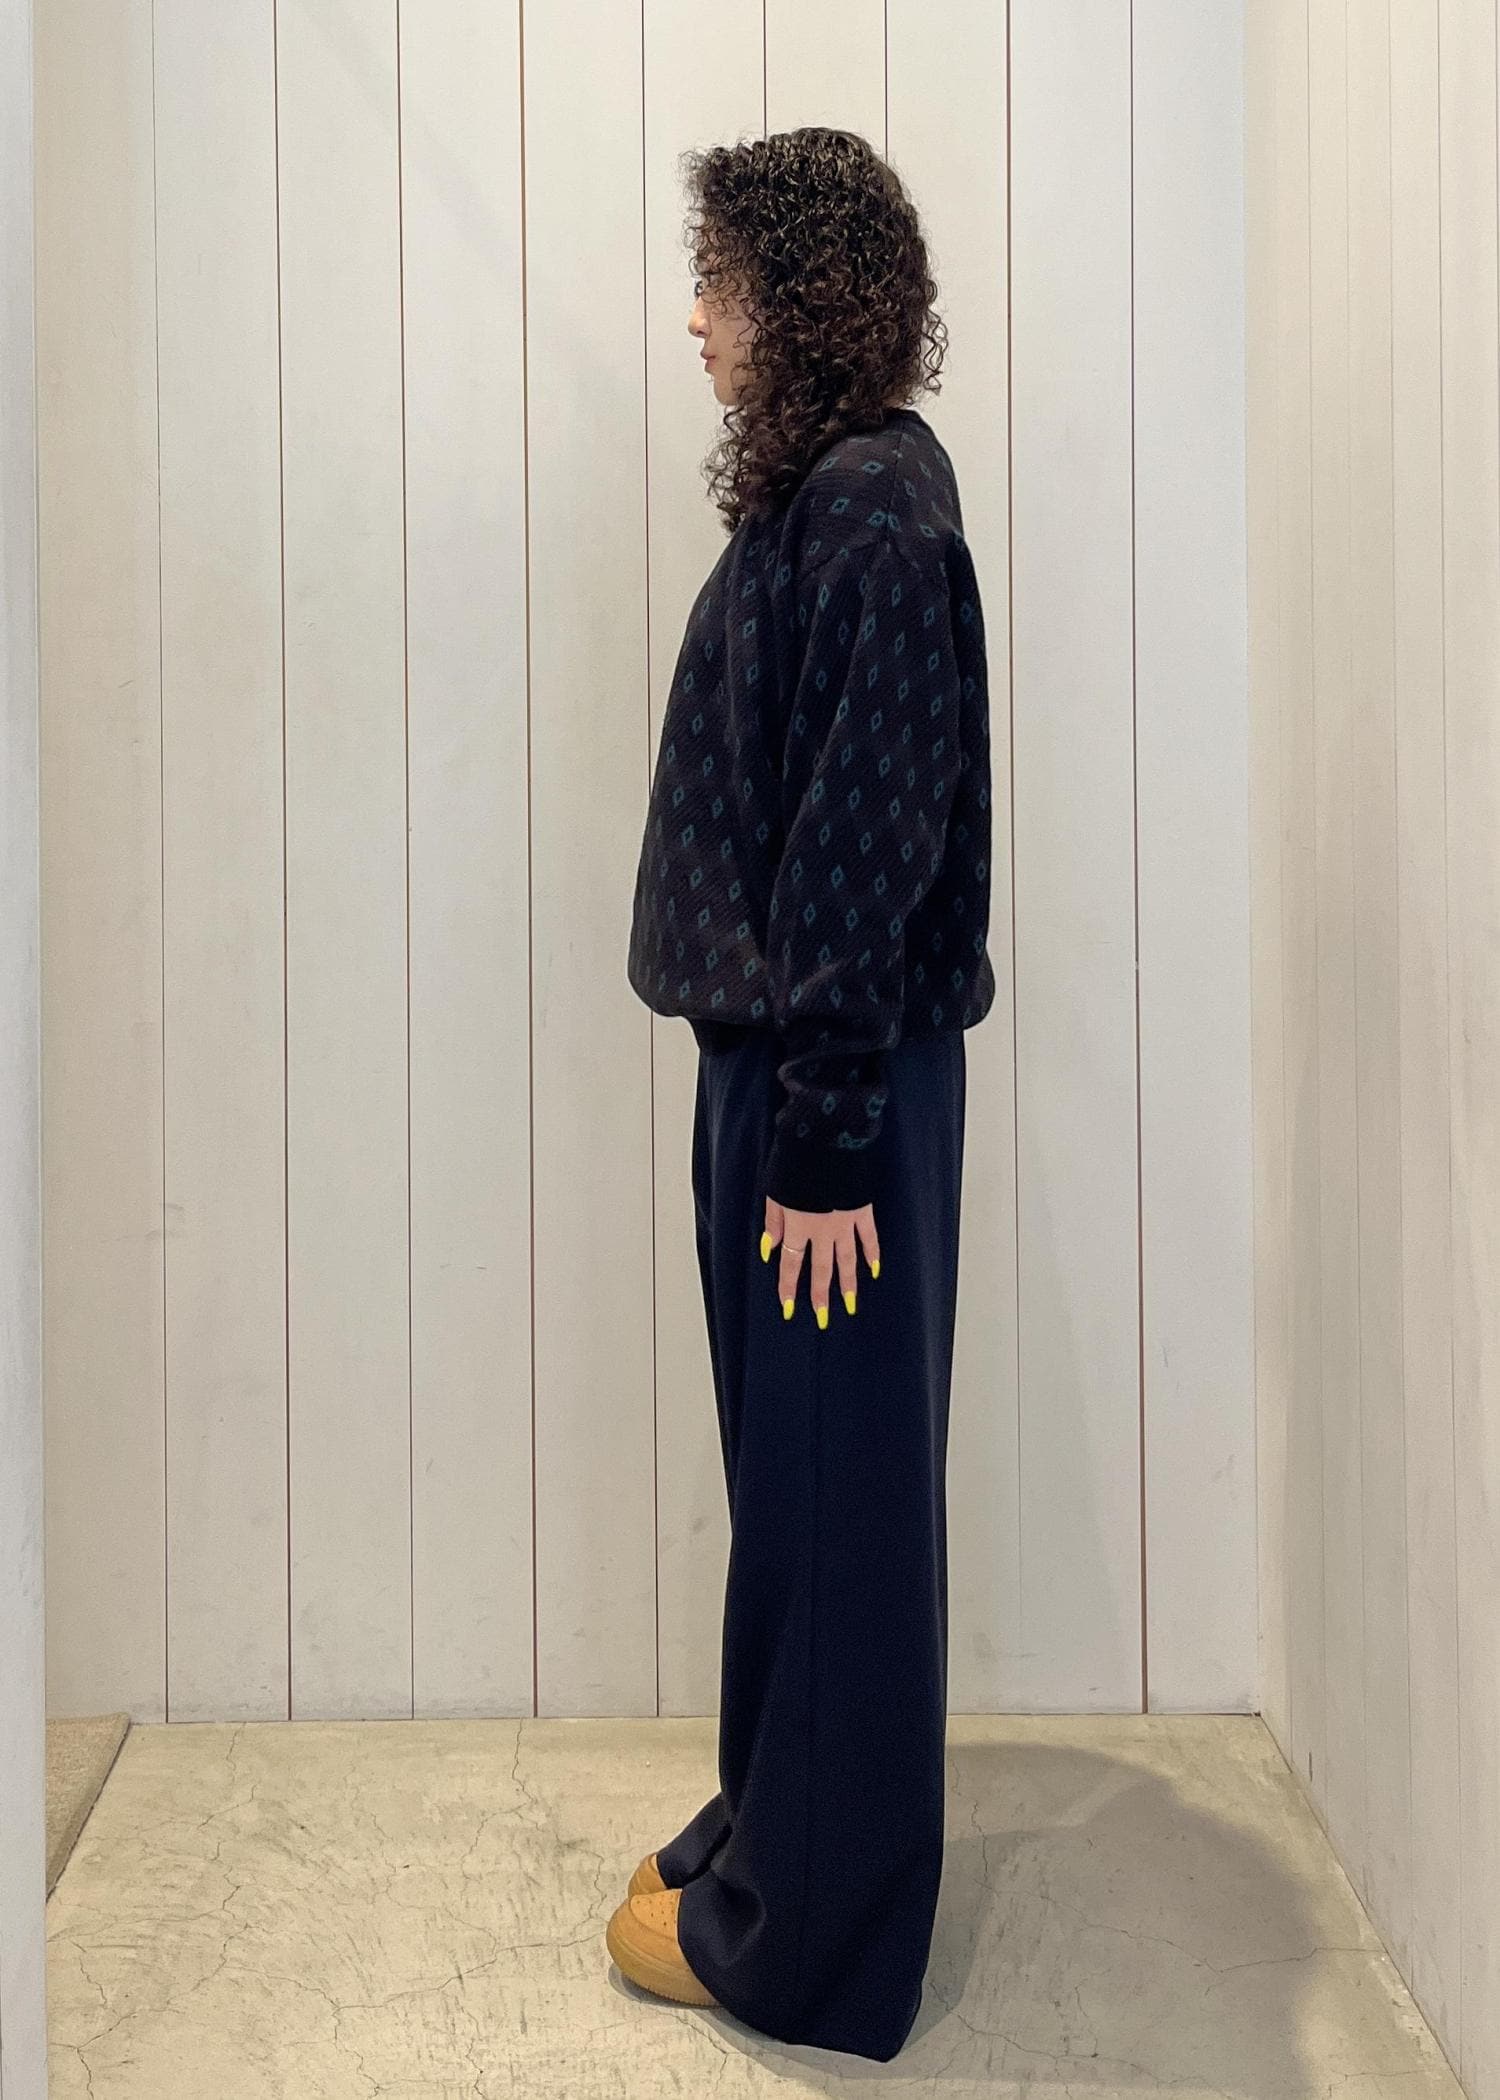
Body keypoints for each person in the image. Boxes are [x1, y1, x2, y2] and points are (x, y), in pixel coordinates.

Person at [604, 125, 996, 2063]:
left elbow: (866, 846)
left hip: (826, 1098)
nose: (699, 319)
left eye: (726, 286)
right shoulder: (830, 498)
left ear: (808, 302)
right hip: (787, 1079)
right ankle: (778, 1824)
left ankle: (814, 1945)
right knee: (799, 1491)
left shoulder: (874, 515)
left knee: (834, 1508)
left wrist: (828, 1136)